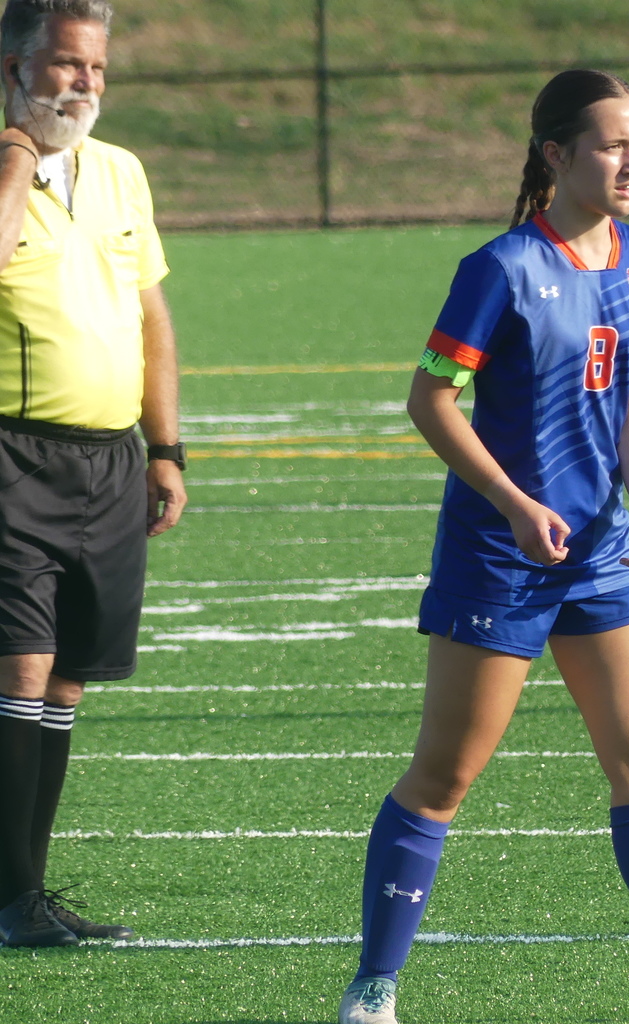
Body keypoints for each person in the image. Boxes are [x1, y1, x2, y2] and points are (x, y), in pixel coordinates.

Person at [338, 69, 629, 1022]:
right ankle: (373, 990)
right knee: (445, 773)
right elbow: (429, 400)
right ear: (557, 155)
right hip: (501, 555)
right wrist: (511, 501)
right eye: (610, 145)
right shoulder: (499, 269)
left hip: (597, 555)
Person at [0, 0, 186, 948]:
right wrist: (17, 158)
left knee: (68, 679)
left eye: (98, 69)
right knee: (19, 669)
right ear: (14, 66)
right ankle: (8, 897)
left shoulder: (122, 173)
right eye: (67, 65)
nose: (85, 85)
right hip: (9, 456)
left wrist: (166, 447)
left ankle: (25, 892)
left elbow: (150, 315)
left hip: (111, 463)